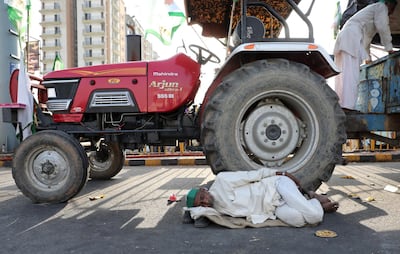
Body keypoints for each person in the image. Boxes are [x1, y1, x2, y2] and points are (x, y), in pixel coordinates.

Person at [184, 168, 339, 228]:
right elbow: (194, 213)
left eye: (202, 196)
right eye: (202, 203)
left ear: (204, 189)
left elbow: (255, 175)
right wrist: (195, 208)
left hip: (276, 186)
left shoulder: (222, 181)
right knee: (298, 221)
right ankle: (311, 200)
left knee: (314, 217)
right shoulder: (215, 211)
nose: (205, 201)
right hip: (273, 208)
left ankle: (316, 202)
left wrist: (284, 174)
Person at [334, 0, 397, 110]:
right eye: (391, 9)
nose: (390, 13)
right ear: (389, 4)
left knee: (343, 76)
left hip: (347, 37)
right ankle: (348, 106)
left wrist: (367, 58)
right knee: (351, 76)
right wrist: (389, 48)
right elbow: (383, 27)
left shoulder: (371, 11)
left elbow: (366, 38)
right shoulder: (381, 7)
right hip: (351, 38)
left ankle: (341, 105)